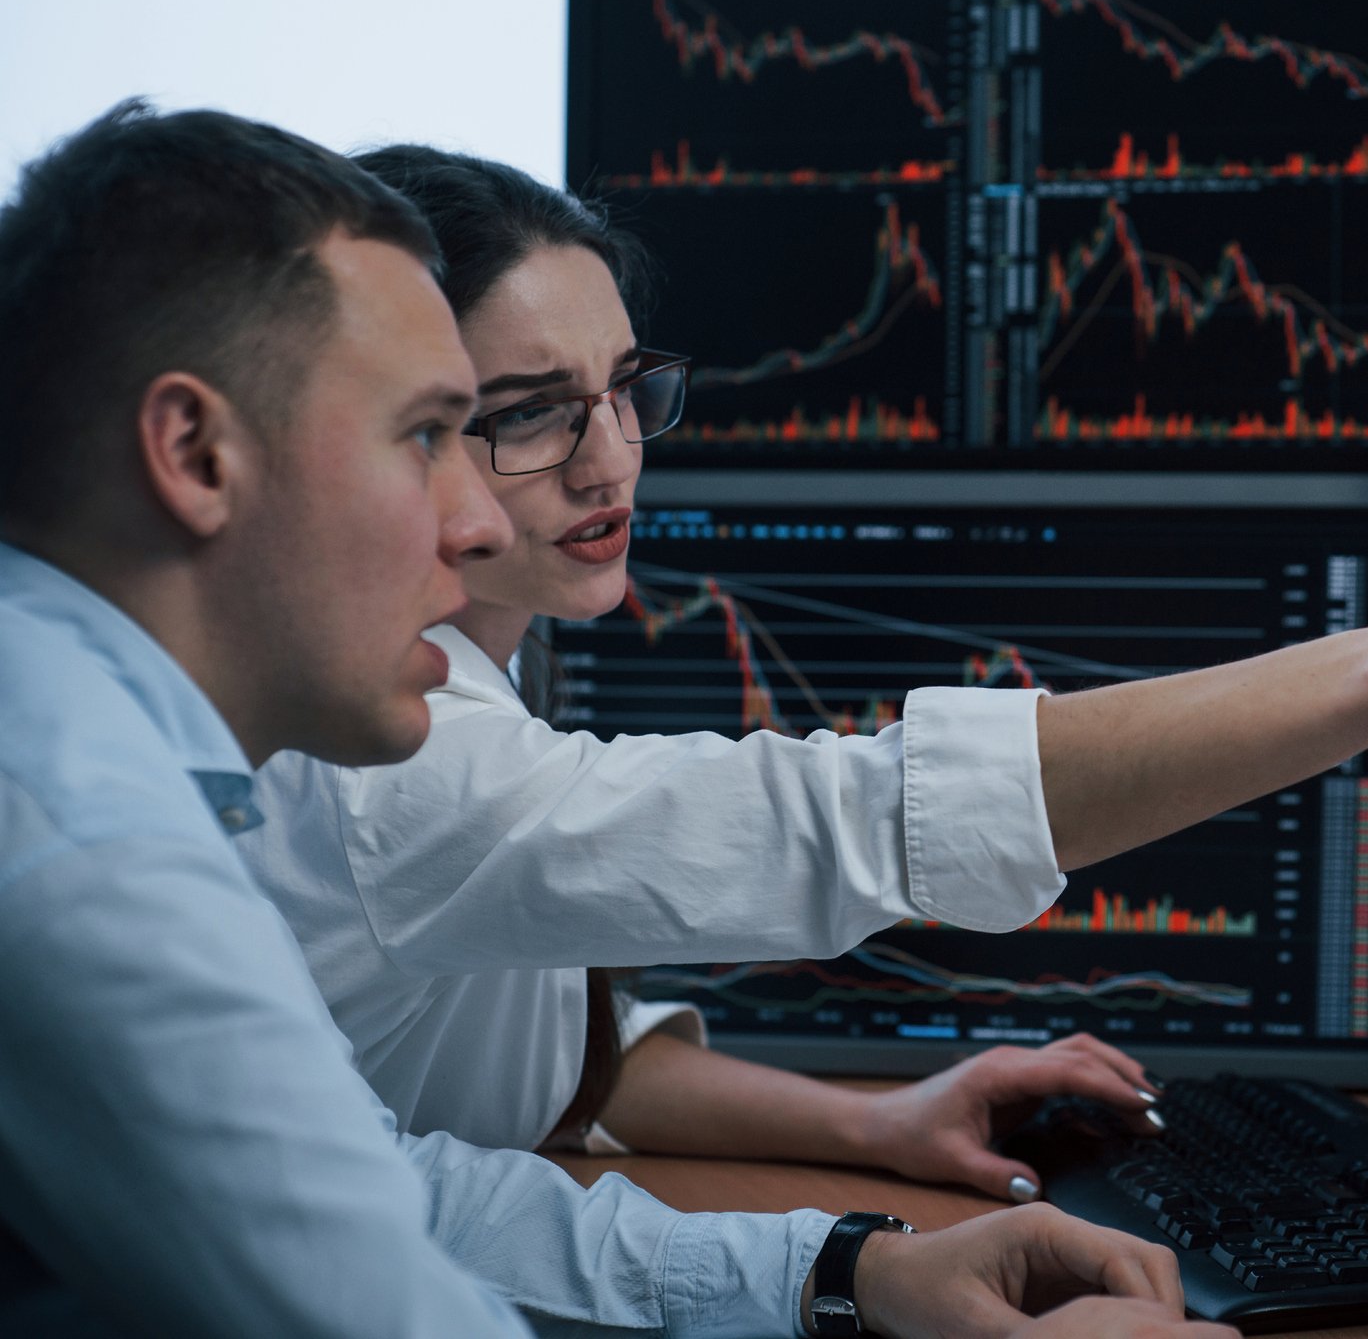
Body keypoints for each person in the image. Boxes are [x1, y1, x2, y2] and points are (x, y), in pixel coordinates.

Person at [241, 147, 1368, 1199]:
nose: (611, 458)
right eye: (528, 412)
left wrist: (878, 1121)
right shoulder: (399, 750)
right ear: (410, 427)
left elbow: (542, 1052)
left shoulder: (464, 681)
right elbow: (848, 816)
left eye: (627, 389)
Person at [0, 101, 1225, 1339]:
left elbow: (390, 1183)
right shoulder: (92, 855)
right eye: (431, 432)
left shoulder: (87, 747)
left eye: (623, 391)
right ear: (195, 452)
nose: (470, 518)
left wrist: (842, 1265)